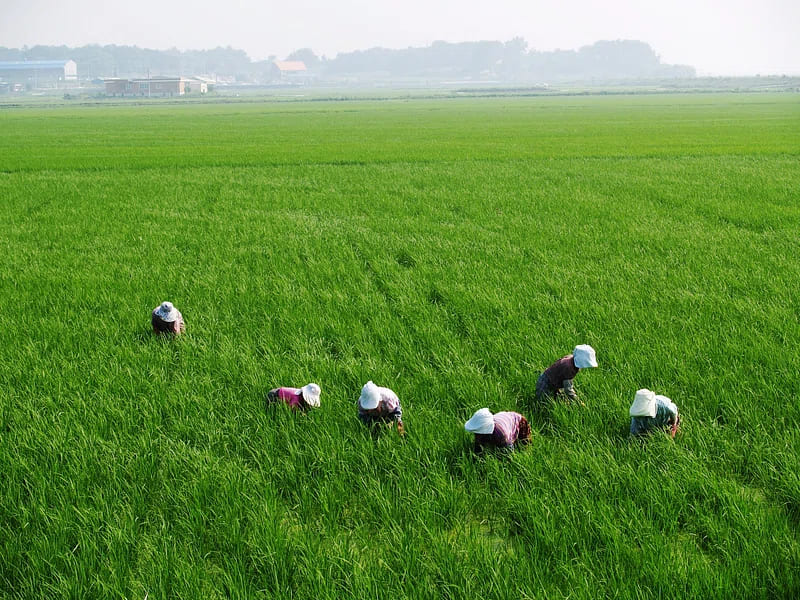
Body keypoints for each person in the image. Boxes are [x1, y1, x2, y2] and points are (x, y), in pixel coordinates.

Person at [464, 408, 531, 452]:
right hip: (504, 418)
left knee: (522, 444)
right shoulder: (480, 431)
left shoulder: (501, 434)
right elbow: (478, 447)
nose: (477, 436)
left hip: (519, 421)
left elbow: (509, 452)